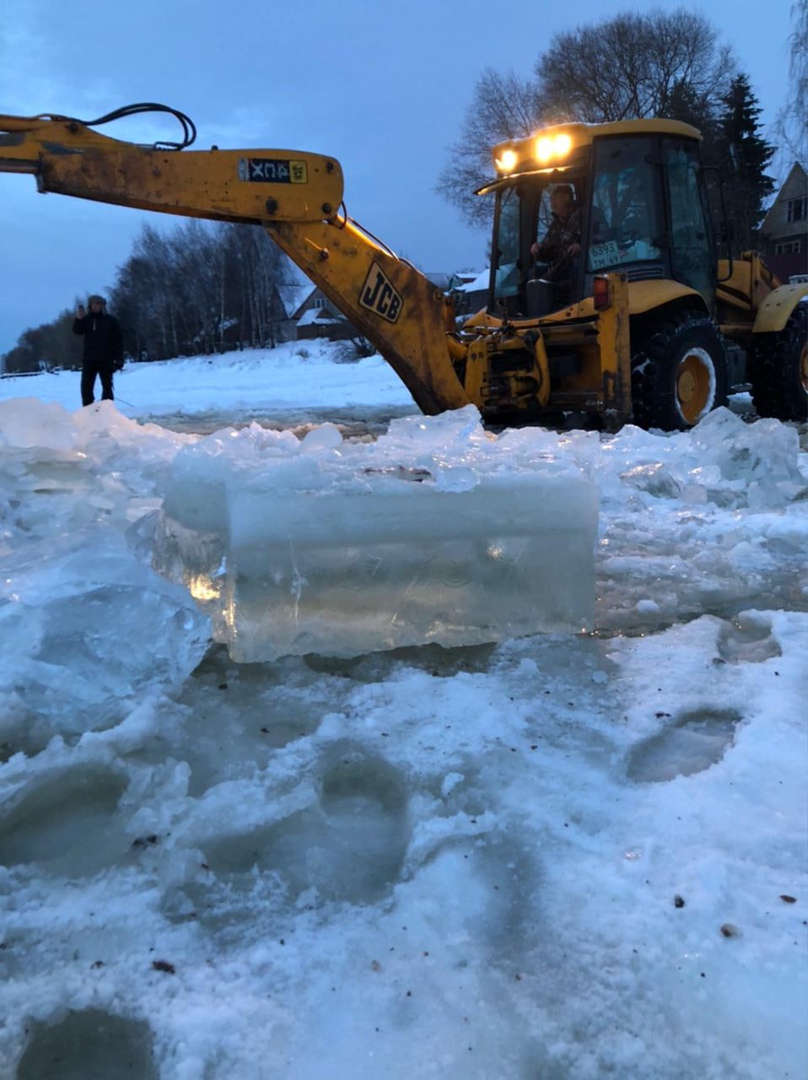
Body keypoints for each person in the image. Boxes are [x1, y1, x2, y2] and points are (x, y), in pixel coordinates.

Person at [72, 294, 124, 407]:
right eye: (93, 304)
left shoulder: (111, 321)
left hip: (106, 359)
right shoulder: (86, 320)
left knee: (107, 386)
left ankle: (107, 410)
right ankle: (88, 410)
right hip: (89, 359)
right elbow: (77, 331)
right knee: (86, 387)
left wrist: (119, 359)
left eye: (98, 304)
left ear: (102, 306)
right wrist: (78, 319)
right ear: (90, 306)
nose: (95, 306)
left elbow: (118, 340)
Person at [530, 185, 582, 283]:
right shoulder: (555, 225)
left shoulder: (584, 216)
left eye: (556, 200)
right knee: (534, 274)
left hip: (578, 267)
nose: (552, 204)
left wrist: (581, 247)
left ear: (567, 199)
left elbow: (601, 239)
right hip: (559, 268)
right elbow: (548, 250)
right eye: (551, 200)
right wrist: (537, 249)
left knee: (577, 268)